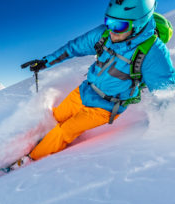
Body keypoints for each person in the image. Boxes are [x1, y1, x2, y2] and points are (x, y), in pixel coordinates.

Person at [15, 0, 175, 167]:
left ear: (138, 24)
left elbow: (167, 92)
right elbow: (73, 48)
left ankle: (29, 160)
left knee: (65, 130)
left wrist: (166, 125)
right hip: (84, 91)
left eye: (119, 26)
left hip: (105, 107)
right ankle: (30, 143)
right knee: (55, 118)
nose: (111, 30)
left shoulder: (153, 53)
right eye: (108, 22)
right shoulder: (104, 35)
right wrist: (44, 62)